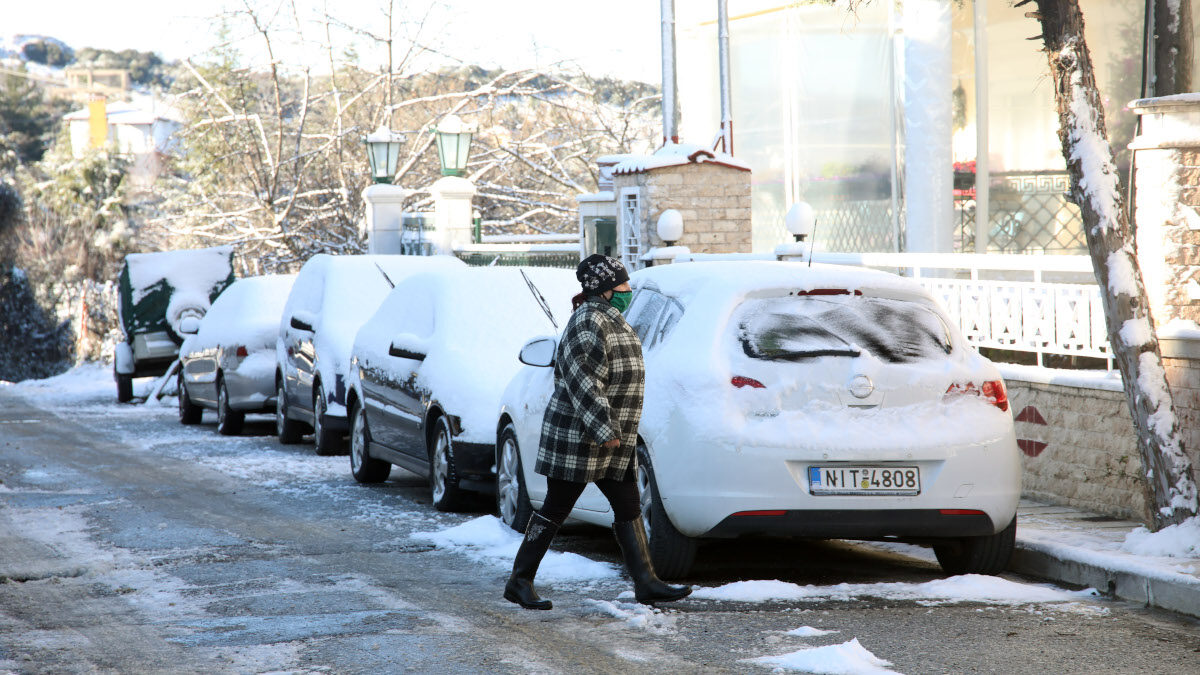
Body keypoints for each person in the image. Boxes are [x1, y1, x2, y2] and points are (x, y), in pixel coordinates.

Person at [504, 254, 692, 610]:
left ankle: (646, 582)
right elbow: (583, 381)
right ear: (603, 290)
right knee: (556, 508)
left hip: (612, 439)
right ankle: (520, 580)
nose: (628, 291)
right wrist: (604, 428)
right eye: (622, 286)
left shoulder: (612, 318)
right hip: (582, 437)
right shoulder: (589, 320)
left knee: (629, 506)